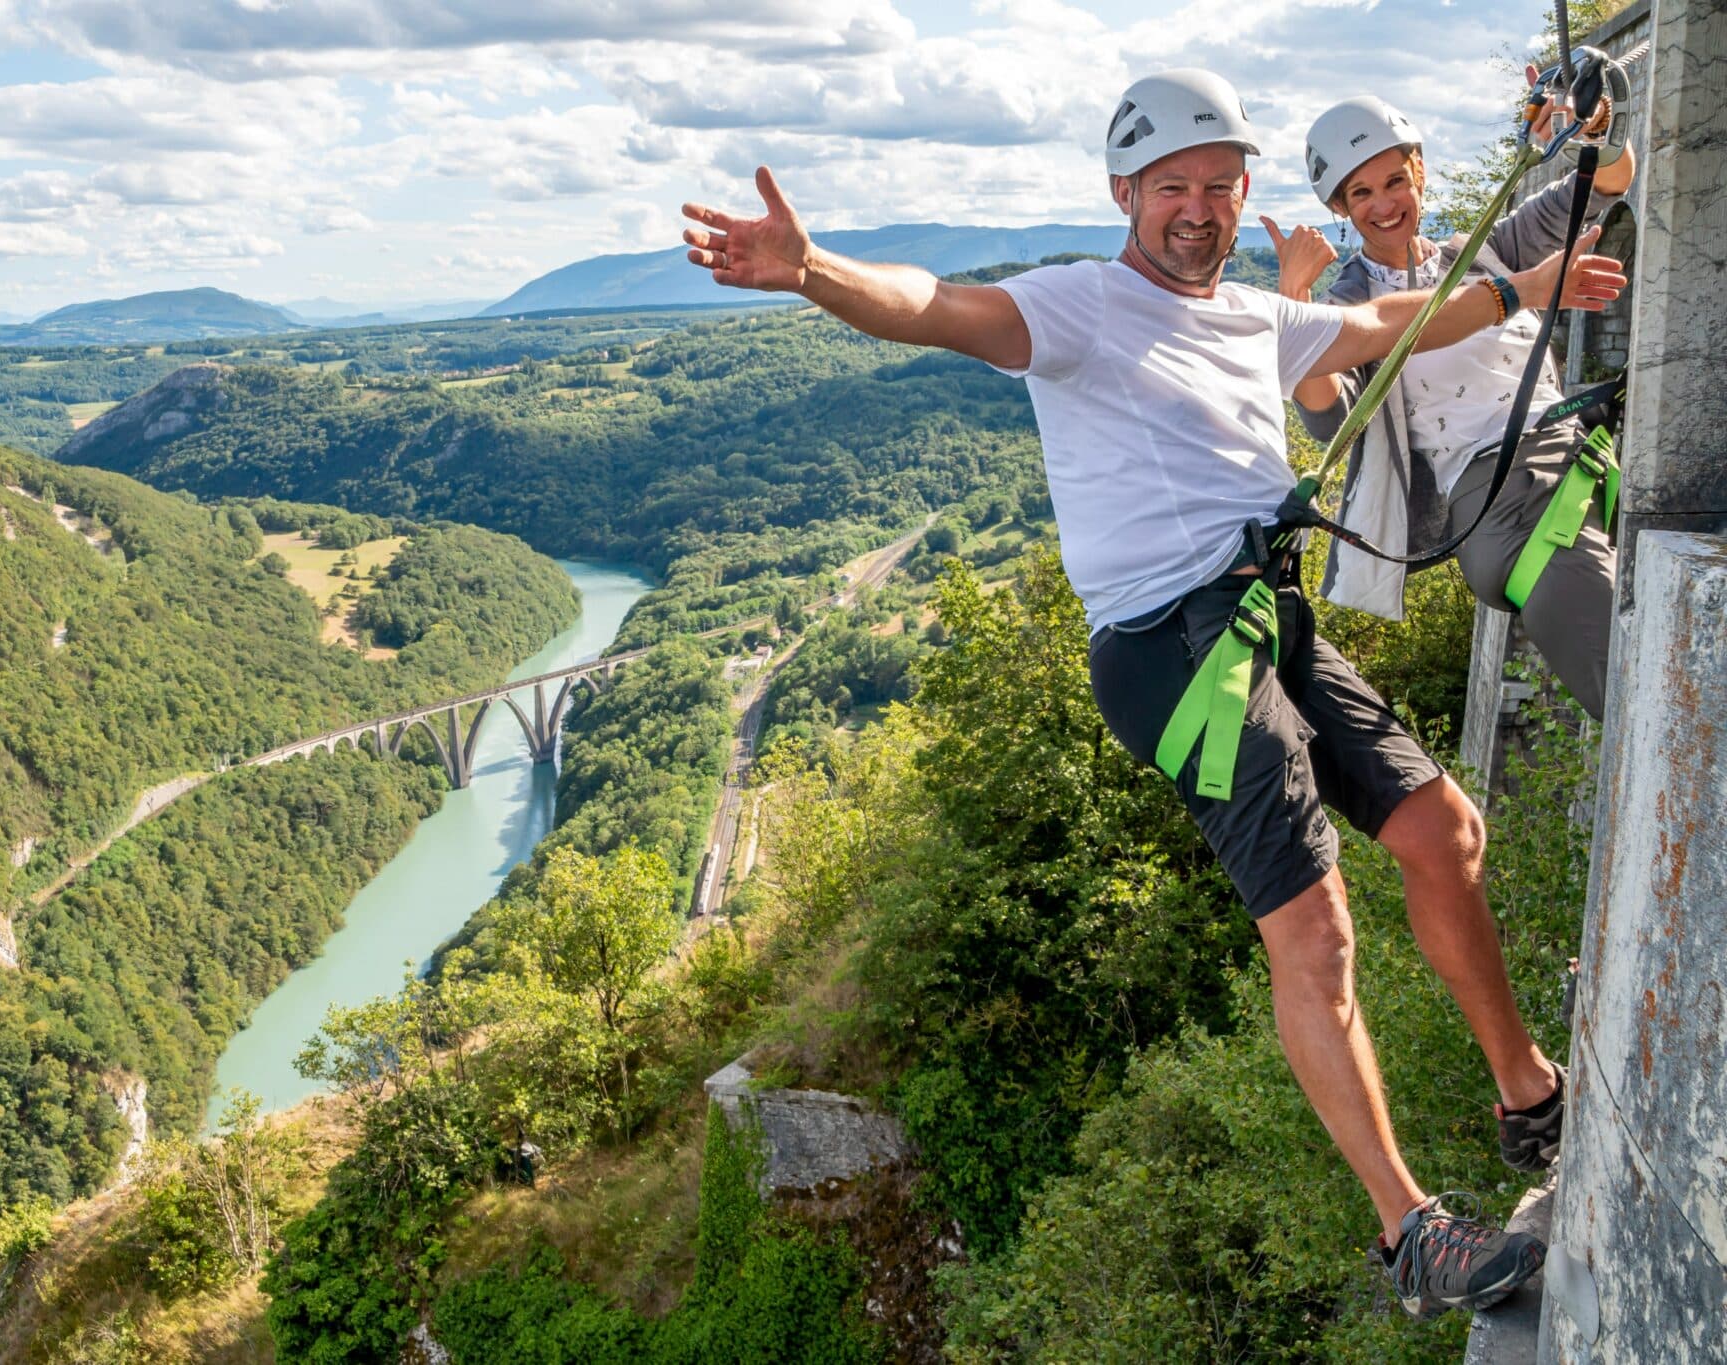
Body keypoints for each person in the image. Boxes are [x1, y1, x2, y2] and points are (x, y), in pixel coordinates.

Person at [680, 68, 1625, 1318]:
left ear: (1241, 200)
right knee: (1316, 929)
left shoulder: (1247, 315)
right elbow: (935, 305)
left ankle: (1528, 1098)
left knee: (1440, 831)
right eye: (1172, 186)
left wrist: (1514, 292)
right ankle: (1409, 1237)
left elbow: (1396, 320)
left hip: (1260, 616)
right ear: (1122, 192)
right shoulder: (1077, 308)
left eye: (1217, 187)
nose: (1196, 207)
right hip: (1175, 655)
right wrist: (813, 271)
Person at [1268, 75, 1633, 719]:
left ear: (1420, 175)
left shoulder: (1483, 250)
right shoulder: (1352, 308)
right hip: (1510, 505)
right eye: (1361, 192)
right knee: (1649, 704)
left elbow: (1601, 186)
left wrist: (1596, 127)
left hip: (1581, 460)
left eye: (1394, 181)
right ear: (1342, 208)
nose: (1384, 204)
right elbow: (1329, 418)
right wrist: (1295, 302)